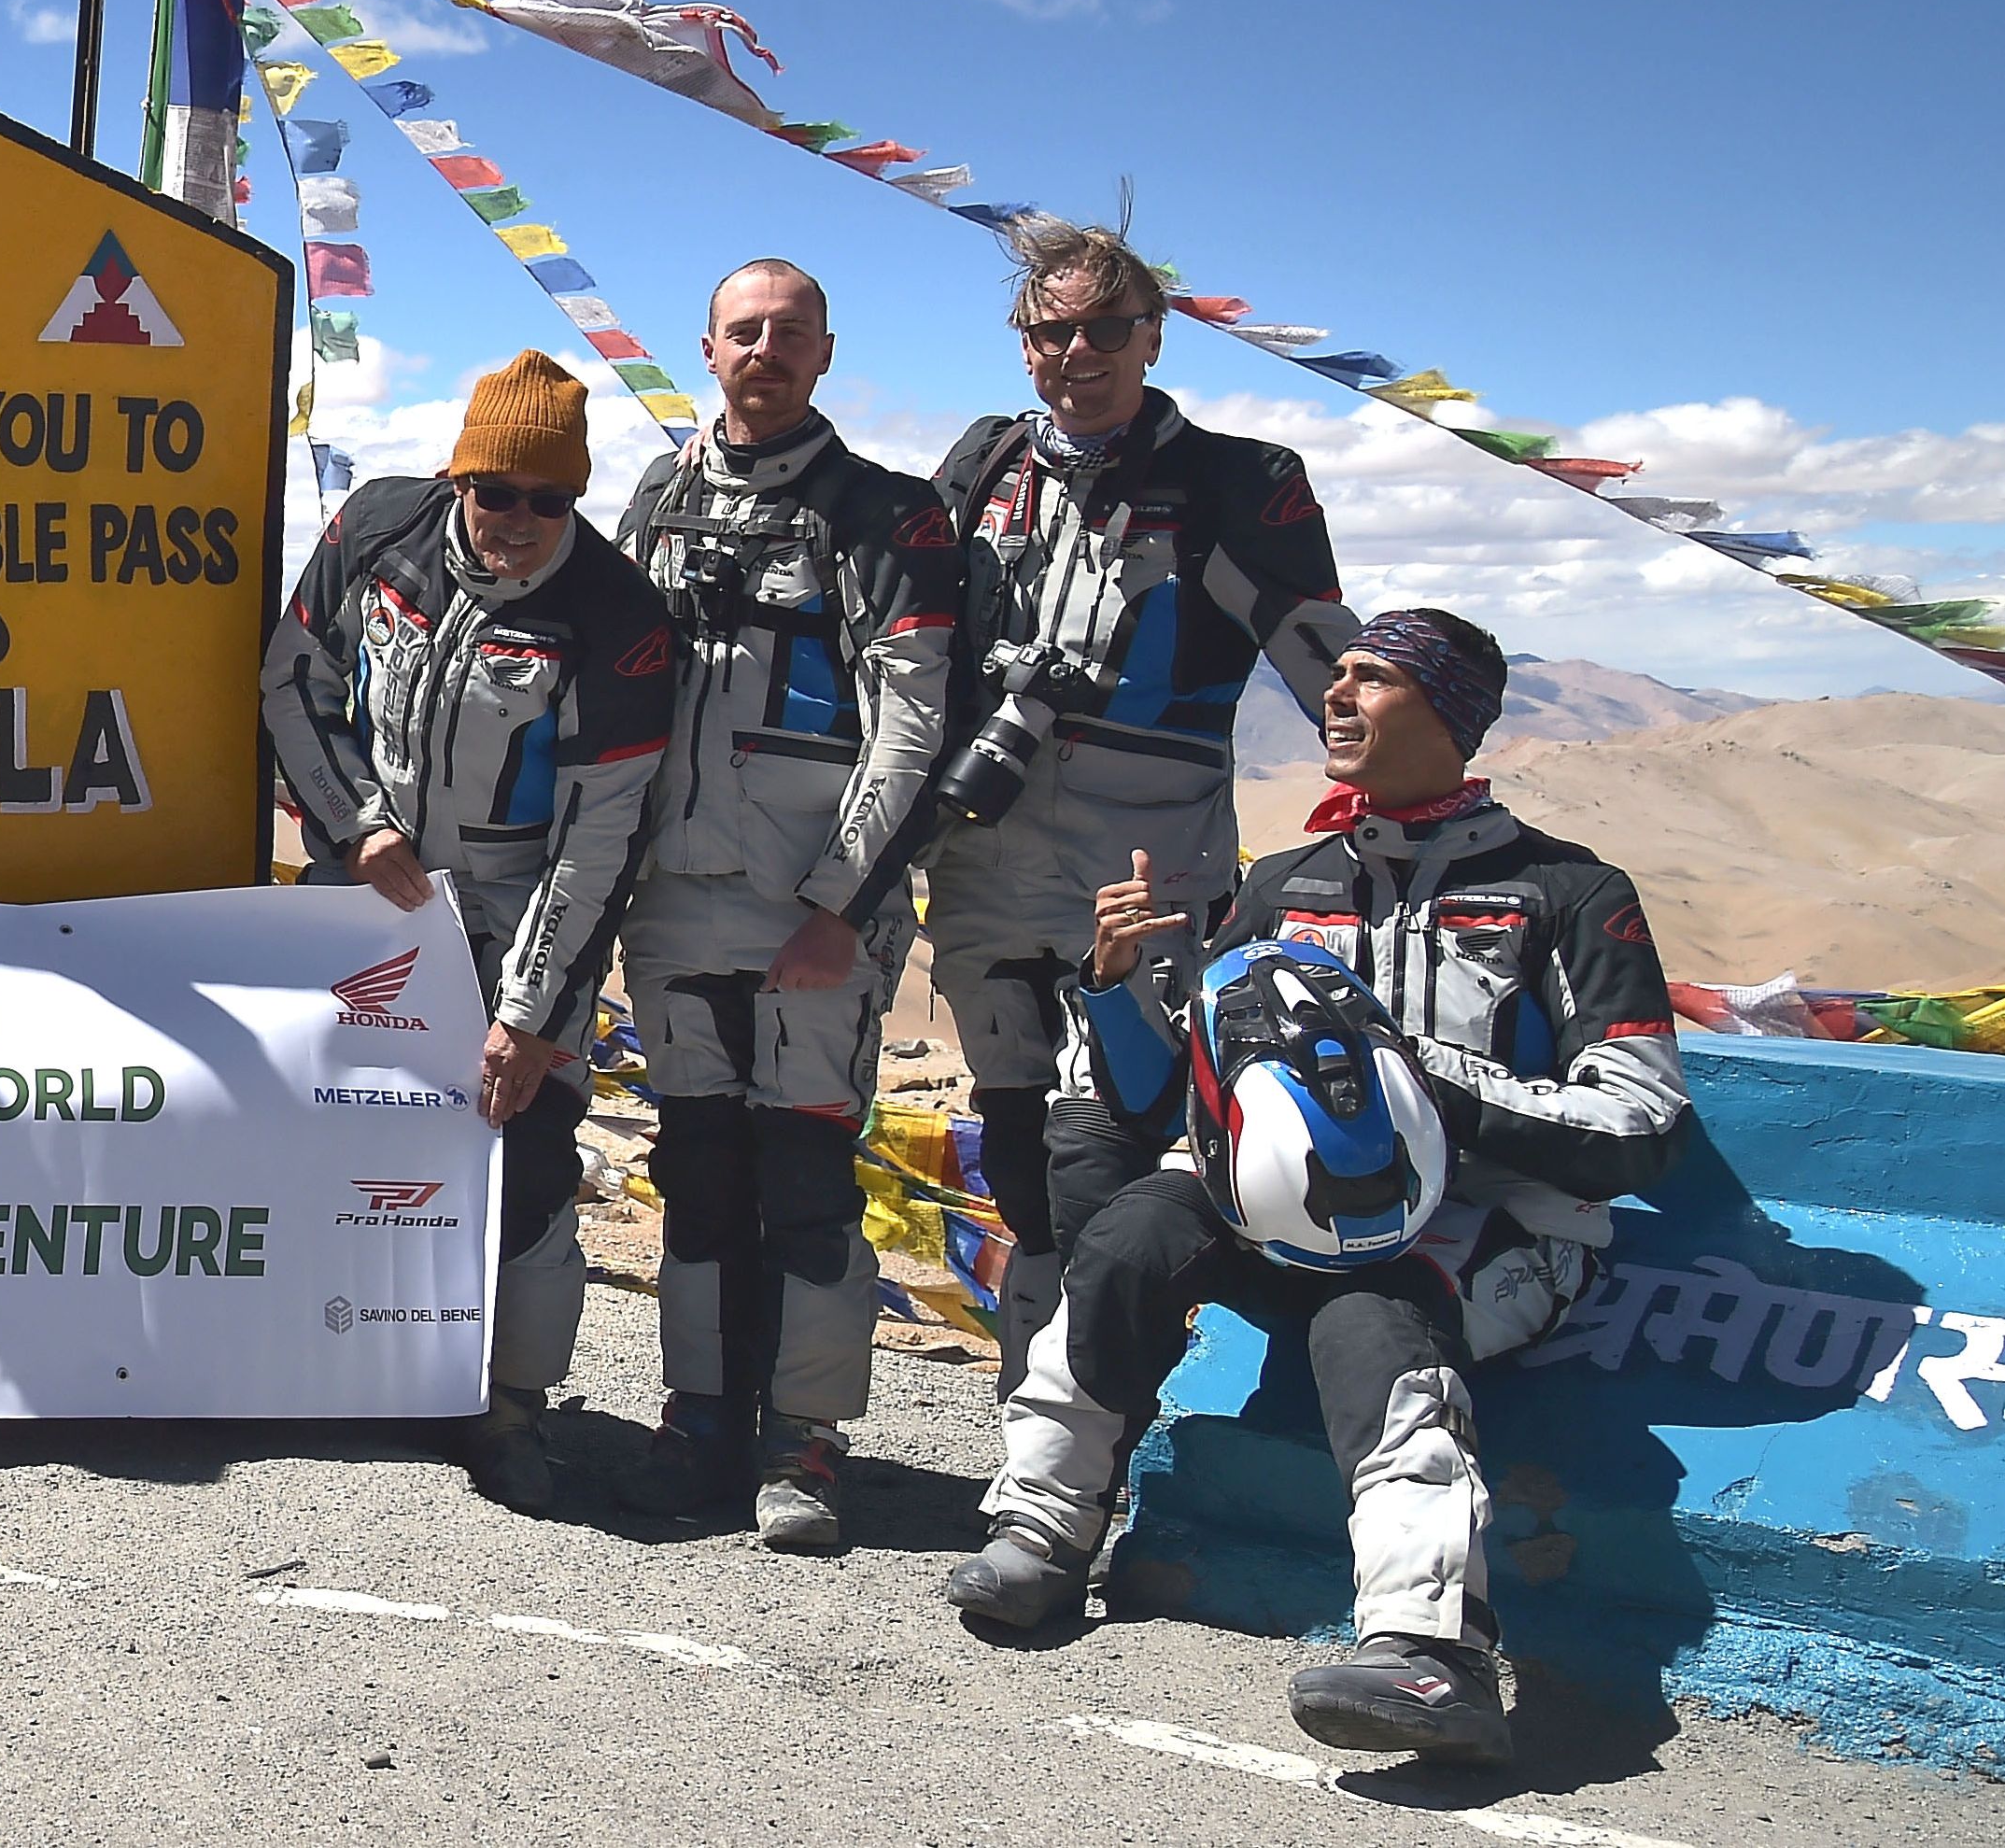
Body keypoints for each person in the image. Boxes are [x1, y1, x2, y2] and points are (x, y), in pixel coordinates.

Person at [943, 609, 1690, 1762]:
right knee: (1134, 1232)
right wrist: (1116, 985)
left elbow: (1642, 1120)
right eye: (1332, 677)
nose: (1336, 697)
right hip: (1268, 1213)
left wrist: (1417, 1085)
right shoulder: (1286, 883)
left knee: (1370, 1322)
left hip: (1480, 1229)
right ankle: (1041, 1528)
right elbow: (1166, 1101)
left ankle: (1431, 1650)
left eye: (1372, 678)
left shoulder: (1567, 893)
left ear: (1449, 713)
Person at [919, 216, 1358, 1370]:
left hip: (1148, 874)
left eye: (1106, 328)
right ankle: (1038, 1430)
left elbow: (1325, 662)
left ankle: (1092, 1433)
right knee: (1017, 1141)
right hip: (984, 867)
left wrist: (1397, 792)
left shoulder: (1239, 483)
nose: (1079, 352)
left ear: (1155, 337)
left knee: (1112, 1143)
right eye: (1051, 330)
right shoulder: (981, 466)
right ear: (1024, 345)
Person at [263, 351, 675, 1510]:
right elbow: (295, 683)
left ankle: (511, 1409)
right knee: (317, 1129)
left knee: (526, 1146)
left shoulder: (618, 616)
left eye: (552, 499)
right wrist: (352, 826)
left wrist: (531, 1018)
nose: (520, 521)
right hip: (364, 888)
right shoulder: (377, 526)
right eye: (497, 492)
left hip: (523, 905)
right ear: (459, 479)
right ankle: (322, 1363)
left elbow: (603, 841)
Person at [607, 261, 964, 1547]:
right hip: (672, 911)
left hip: (813, 915)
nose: (765, 348)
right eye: (743, 330)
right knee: (698, 1171)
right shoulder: (656, 497)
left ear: (824, 354)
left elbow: (914, 721)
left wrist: (838, 900)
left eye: (790, 333)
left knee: (807, 1176)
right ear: (706, 346)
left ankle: (802, 1441)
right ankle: (699, 1412)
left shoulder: (887, 515)